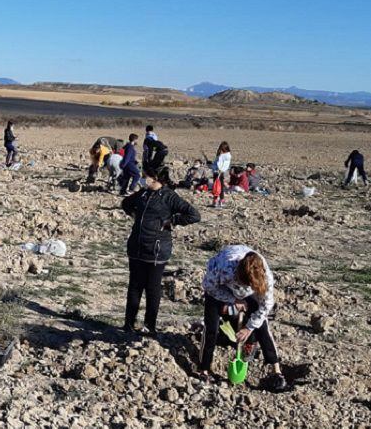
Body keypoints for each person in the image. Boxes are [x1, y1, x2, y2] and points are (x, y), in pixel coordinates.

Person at [121, 166, 201, 335]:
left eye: (146, 176)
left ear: (156, 177)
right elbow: (125, 203)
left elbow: (194, 215)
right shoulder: (143, 194)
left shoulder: (169, 196)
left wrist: (171, 221)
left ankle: (149, 326)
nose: (143, 179)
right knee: (134, 286)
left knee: (152, 288)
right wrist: (135, 215)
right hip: (136, 247)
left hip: (156, 250)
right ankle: (128, 323)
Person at [197, 245, 286, 390]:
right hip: (220, 286)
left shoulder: (266, 278)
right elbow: (208, 286)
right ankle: (204, 369)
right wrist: (232, 300)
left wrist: (249, 328)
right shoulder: (225, 268)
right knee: (211, 327)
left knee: (262, 325)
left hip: (248, 289)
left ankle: (276, 370)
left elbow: (265, 307)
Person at [212, 142, 232, 207]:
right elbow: (215, 162)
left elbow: (225, 164)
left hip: (220, 172)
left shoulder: (227, 155)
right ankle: (215, 200)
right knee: (215, 186)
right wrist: (214, 169)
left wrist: (221, 170)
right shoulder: (219, 154)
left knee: (220, 186)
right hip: (216, 172)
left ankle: (221, 199)